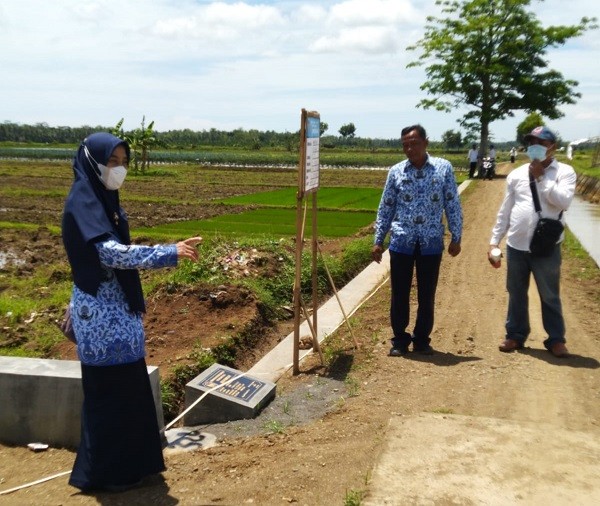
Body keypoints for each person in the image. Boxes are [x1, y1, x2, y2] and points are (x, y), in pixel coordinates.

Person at [62, 132, 202, 492]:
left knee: (129, 391)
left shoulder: (104, 199)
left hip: (118, 316)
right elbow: (109, 253)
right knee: (109, 396)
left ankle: (136, 467)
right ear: (92, 162)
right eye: (112, 162)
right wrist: (167, 252)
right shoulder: (83, 200)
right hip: (99, 317)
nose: (119, 169)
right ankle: (107, 476)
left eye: (123, 162)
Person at [372, 125, 463, 356]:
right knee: (399, 293)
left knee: (427, 294)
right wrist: (378, 240)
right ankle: (400, 340)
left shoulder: (443, 168)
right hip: (402, 241)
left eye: (414, 143)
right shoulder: (396, 172)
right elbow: (386, 207)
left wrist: (456, 235)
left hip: (431, 242)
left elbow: (452, 203)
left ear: (426, 143)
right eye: (405, 145)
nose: (409, 149)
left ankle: (422, 339)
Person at [488, 126, 576, 358]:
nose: (535, 146)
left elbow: (564, 201)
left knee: (549, 294)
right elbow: (505, 210)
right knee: (516, 292)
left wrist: (541, 178)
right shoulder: (516, 174)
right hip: (516, 245)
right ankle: (515, 334)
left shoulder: (564, 172)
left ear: (552, 147)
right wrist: (494, 241)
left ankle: (556, 339)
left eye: (541, 142)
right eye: (531, 142)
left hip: (546, 247)